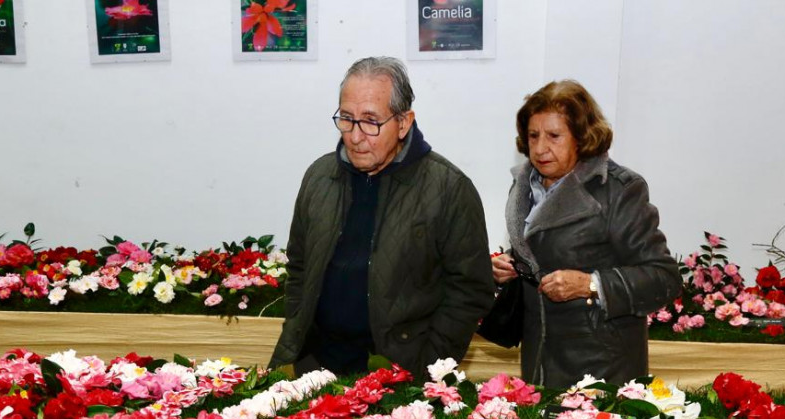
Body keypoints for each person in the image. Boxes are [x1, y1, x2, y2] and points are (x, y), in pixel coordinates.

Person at [269, 56, 496, 381]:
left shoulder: (448, 188)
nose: (356, 136)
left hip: (403, 378)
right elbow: (299, 268)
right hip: (317, 368)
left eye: (371, 121)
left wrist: (429, 366)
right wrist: (299, 335)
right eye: (346, 119)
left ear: (403, 123)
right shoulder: (319, 177)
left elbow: (470, 290)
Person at [492, 79, 681, 389]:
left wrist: (591, 284)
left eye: (554, 136)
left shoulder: (620, 190)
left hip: (603, 368)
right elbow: (550, 247)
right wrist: (509, 265)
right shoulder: (526, 185)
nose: (540, 148)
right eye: (533, 135)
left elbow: (663, 278)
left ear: (581, 137)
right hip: (539, 361)